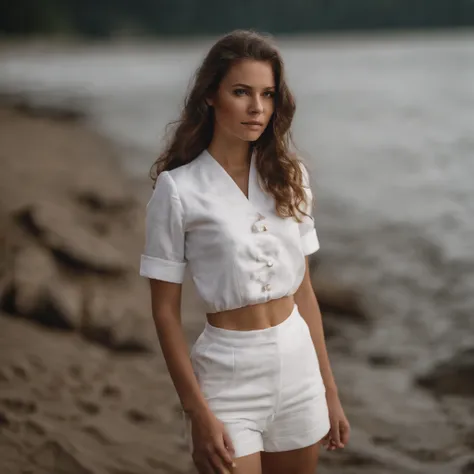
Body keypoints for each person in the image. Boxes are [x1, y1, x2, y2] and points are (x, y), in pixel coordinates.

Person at [139, 29, 350, 474]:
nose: (257, 107)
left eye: (267, 94)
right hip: (228, 375)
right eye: (241, 92)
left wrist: (329, 391)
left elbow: (304, 292)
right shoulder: (179, 190)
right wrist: (196, 412)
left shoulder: (290, 176)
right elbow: (164, 313)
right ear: (211, 96)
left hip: (299, 369)